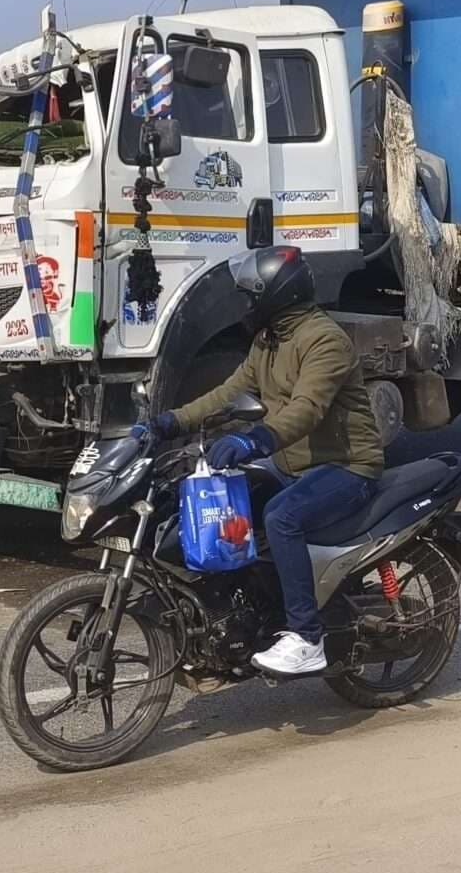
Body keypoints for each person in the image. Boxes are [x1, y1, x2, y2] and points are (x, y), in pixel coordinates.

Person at [144, 248, 384, 678]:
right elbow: (227, 392)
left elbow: (307, 408)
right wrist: (168, 422)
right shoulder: (268, 339)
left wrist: (254, 439)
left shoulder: (324, 340)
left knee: (281, 518)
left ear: (277, 295)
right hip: (290, 462)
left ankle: (306, 636)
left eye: (251, 296)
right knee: (227, 498)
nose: (246, 305)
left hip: (346, 466)